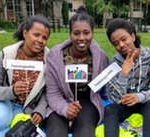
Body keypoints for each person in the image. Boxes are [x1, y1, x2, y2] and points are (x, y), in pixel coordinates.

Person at [45, 7, 109, 137]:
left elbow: (105, 88)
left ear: (92, 34)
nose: (81, 38)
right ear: (70, 34)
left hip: (87, 102)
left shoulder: (101, 57)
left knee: (85, 132)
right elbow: (52, 93)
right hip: (60, 101)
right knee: (56, 133)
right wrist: (65, 109)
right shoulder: (55, 57)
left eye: (86, 33)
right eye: (76, 33)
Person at [0, 14, 50, 137]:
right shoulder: (7, 54)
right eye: (36, 35)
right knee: (1, 118)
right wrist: (12, 91)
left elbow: (49, 92)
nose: (40, 41)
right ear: (25, 33)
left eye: (44, 37)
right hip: (3, 101)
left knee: (0, 135)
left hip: (25, 109)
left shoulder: (49, 60)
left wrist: (40, 110)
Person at [104, 18, 150, 137]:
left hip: (148, 103)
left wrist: (138, 97)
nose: (121, 45)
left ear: (133, 36)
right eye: (115, 43)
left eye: (124, 39)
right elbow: (114, 97)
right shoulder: (114, 63)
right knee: (110, 109)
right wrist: (123, 74)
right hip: (126, 105)